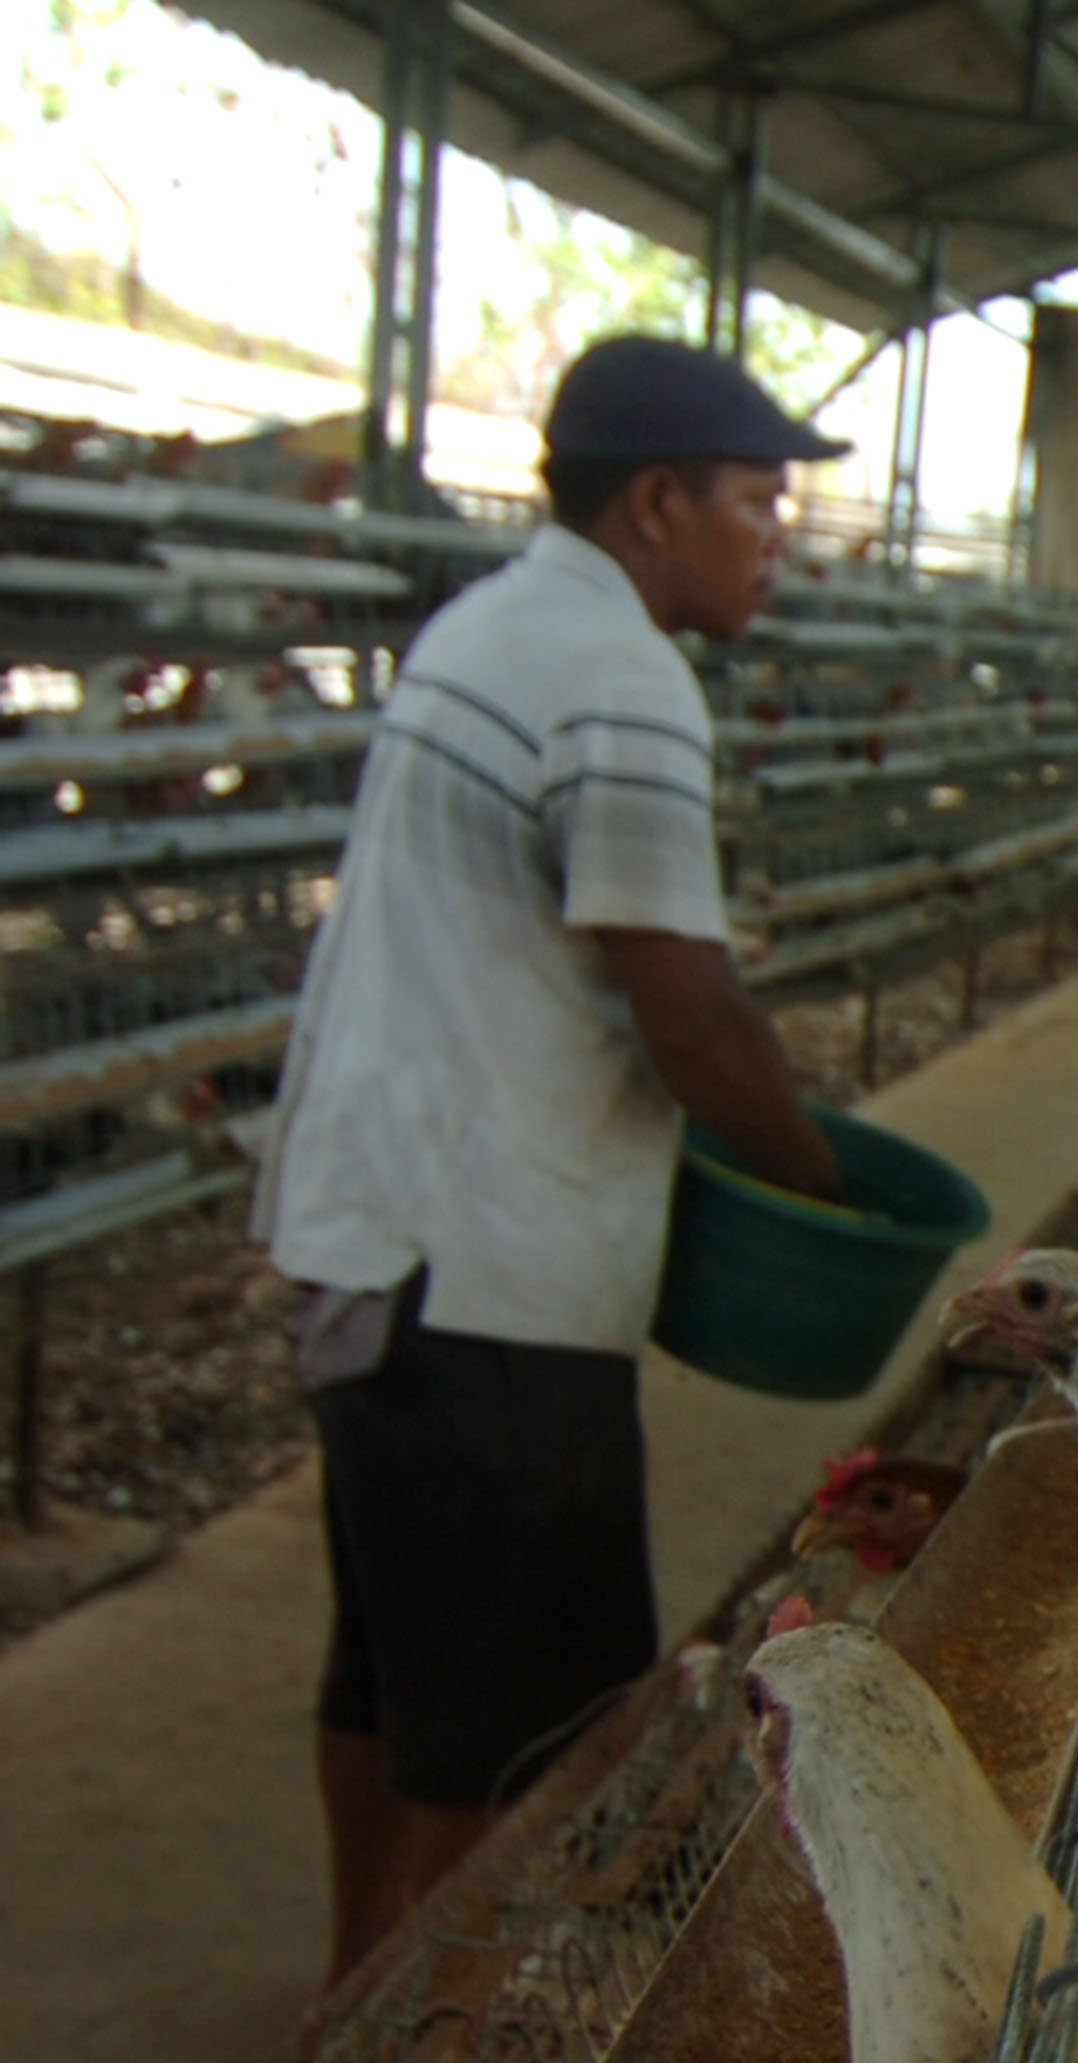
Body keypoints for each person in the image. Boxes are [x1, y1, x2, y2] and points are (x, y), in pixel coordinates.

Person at [253, 336, 851, 1979]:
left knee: (391, 1671)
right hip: (490, 1272)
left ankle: (350, 2000)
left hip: (376, 1235)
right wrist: (820, 1180)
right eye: (756, 501)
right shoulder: (621, 675)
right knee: (517, 1735)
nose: (773, 535)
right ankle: (413, 2060)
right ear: (658, 503)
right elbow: (686, 1007)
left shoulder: (489, 624)